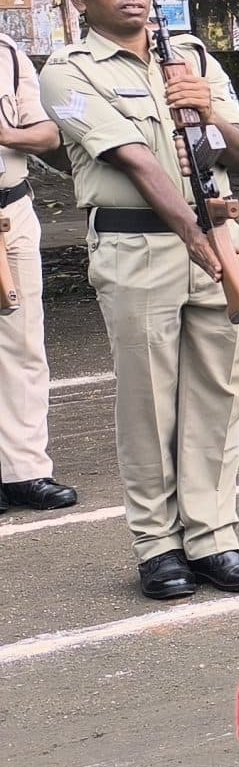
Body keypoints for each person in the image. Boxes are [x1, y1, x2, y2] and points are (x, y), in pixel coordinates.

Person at [39, 0, 239, 599]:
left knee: (220, 391)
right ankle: (157, 543)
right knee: (148, 398)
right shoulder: (69, 71)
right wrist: (198, 240)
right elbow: (132, 157)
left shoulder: (190, 57)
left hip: (218, 234)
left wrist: (207, 109)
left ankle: (212, 531)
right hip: (140, 249)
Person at [0, 27, 69, 513]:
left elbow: (47, 133)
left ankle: (24, 471)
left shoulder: (6, 50)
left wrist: (5, 133)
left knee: (23, 342)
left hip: (12, 211)